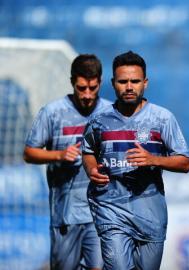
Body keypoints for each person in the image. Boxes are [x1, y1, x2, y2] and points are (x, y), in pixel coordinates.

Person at [81, 51, 189, 270]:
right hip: (110, 209)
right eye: (123, 81)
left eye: (135, 81)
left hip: (150, 215)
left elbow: (185, 162)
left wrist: (154, 159)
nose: (129, 87)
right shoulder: (99, 120)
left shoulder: (162, 118)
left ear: (145, 83)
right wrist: (91, 169)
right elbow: (88, 150)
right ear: (113, 84)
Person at [24, 54, 110, 270]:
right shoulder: (52, 113)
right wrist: (59, 155)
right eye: (82, 88)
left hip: (100, 214)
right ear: (72, 82)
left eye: (93, 88)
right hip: (65, 215)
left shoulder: (111, 113)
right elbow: (29, 153)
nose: (88, 95)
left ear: (100, 82)